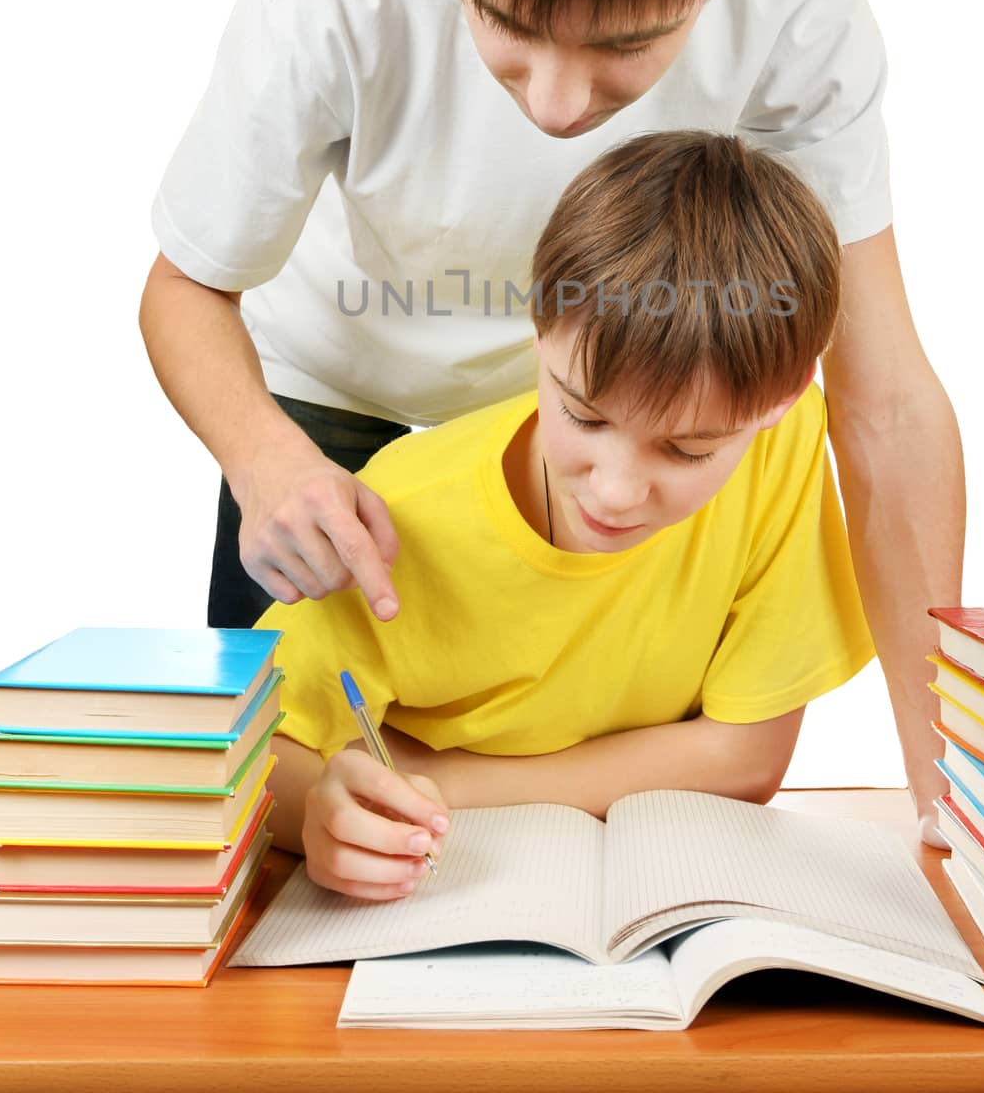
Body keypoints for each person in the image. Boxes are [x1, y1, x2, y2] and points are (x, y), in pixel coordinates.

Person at [139, 0, 961, 844]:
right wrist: (266, 461)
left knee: (627, 817)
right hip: (340, 412)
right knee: (272, 814)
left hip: (614, 423)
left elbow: (880, 396)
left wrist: (944, 776)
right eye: (509, 26)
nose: (559, 102)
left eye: (625, 47)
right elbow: (184, 287)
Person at [259, 133, 875, 895]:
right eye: (583, 417)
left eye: (686, 451)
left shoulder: (781, 443)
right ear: (540, 326)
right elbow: (255, 751)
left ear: (784, 397)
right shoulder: (399, 518)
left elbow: (747, 760)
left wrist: (438, 778)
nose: (614, 494)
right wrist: (316, 813)